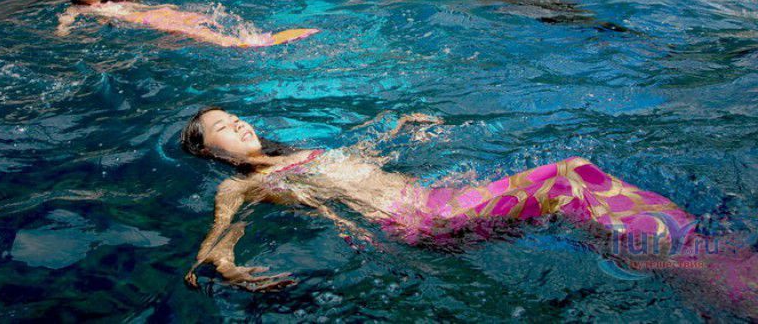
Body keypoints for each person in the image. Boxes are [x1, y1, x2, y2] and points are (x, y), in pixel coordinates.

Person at [179, 107, 757, 318]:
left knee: (576, 202)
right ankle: (706, 262)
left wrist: (399, 130)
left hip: (435, 203)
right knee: (570, 175)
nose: (238, 124)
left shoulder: (297, 155)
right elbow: (219, 235)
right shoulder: (239, 187)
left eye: (236, 116)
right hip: (417, 221)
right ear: (208, 152)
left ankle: (691, 272)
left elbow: (361, 164)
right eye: (221, 127)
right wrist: (224, 264)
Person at [56, 0, 317, 48]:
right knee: (189, 31)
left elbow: (144, 7)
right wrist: (63, 31)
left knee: (201, 18)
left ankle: (248, 34)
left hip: (151, 14)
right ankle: (234, 42)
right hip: (144, 21)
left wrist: (165, 7)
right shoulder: (79, 10)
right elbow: (66, 20)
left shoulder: (116, 2)